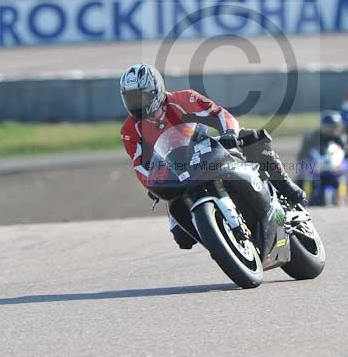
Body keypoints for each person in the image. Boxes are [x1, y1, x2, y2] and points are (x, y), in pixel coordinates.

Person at [119, 63, 306, 250]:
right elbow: (140, 166)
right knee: (182, 238)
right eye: (131, 99)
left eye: (141, 97)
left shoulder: (184, 98)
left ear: (156, 91)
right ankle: (223, 241)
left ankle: (285, 184)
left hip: (204, 148)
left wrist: (229, 134)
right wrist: (153, 183)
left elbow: (220, 114)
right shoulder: (129, 130)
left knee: (251, 137)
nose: (137, 104)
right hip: (176, 171)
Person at [296, 110, 348, 204]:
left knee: (346, 177)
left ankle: (342, 198)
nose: (331, 130)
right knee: (300, 179)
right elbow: (303, 154)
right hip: (316, 166)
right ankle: (301, 201)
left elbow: (347, 155)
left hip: (334, 167)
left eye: (334, 127)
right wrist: (304, 163)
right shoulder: (312, 136)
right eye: (328, 127)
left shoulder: (341, 138)